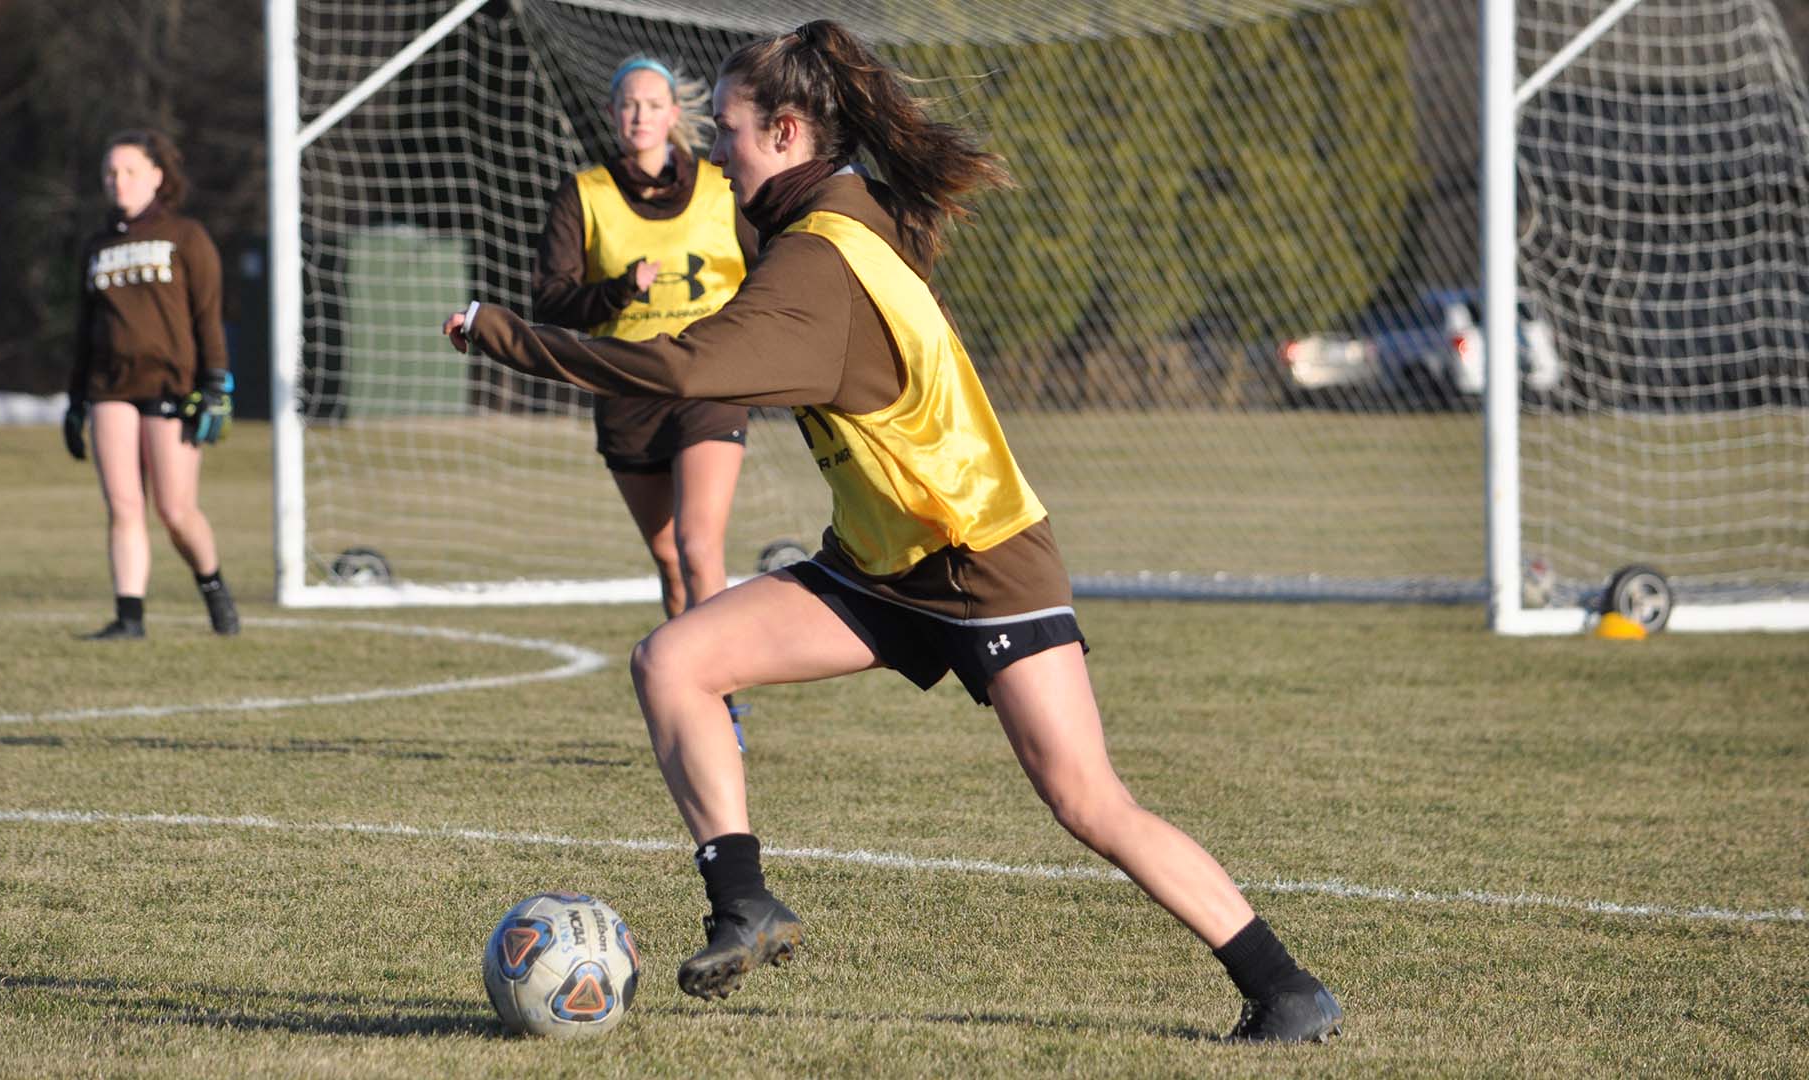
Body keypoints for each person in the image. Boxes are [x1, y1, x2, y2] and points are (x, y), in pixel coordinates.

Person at [444, 21, 1342, 1043]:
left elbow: (684, 371)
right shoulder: (839, 209)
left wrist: (507, 336)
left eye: (730, 131)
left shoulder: (818, 261)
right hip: (879, 561)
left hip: (977, 554)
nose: (716, 151)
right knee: (675, 661)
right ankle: (744, 904)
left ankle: (1285, 988)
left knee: (1088, 800)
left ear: (786, 131)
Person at [531, 55, 759, 748]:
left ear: (673, 114)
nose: (639, 115)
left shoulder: (723, 185)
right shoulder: (585, 193)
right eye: (627, 104)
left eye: (652, 104)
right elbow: (551, 298)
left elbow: (773, 267)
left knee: (699, 547)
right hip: (627, 388)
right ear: (611, 115)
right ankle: (690, 692)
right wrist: (619, 290)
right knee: (668, 559)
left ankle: (723, 708)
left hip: (706, 382)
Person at [63, 129, 239, 641]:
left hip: (172, 386)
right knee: (123, 505)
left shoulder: (186, 237)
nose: (119, 182)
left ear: (157, 177)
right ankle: (129, 617)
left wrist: (214, 384)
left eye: (130, 171)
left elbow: (208, 317)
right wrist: (76, 400)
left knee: (175, 510)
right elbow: (84, 329)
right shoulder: (97, 246)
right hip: (109, 387)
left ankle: (212, 585)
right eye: (110, 173)